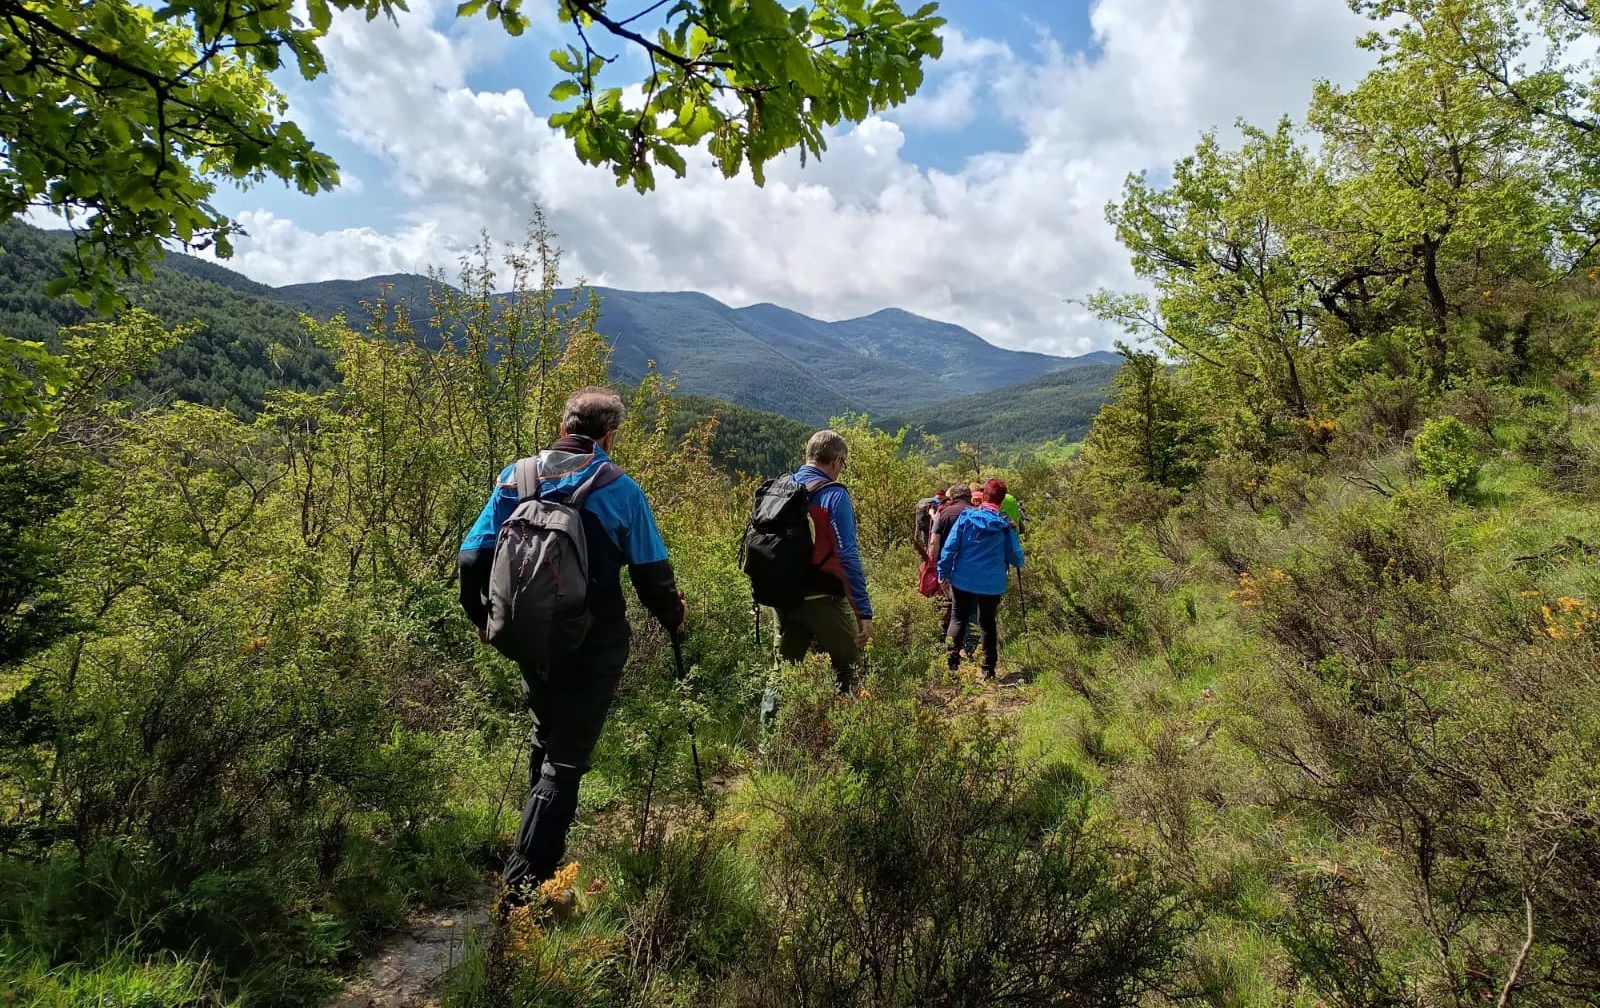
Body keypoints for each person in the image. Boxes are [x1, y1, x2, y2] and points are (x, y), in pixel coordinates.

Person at [458, 387, 686, 900]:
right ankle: (523, 891)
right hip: (594, 643)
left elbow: (472, 559)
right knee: (567, 759)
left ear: (564, 427)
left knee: (546, 733)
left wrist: (482, 618)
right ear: (609, 436)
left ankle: (537, 843)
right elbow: (652, 576)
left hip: (527, 636)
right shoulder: (620, 488)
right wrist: (674, 619)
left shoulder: (517, 477)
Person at [769, 429, 873, 695]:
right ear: (837, 461)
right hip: (822, 598)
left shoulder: (780, 487)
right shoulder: (834, 495)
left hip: (782, 597)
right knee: (850, 669)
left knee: (783, 674)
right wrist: (863, 613)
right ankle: (850, 731)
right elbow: (847, 557)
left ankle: (770, 734)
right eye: (843, 465)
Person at [938, 478, 1024, 681]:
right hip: (992, 584)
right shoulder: (1005, 526)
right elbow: (1016, 559)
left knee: (958, 618)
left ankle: (951, 665)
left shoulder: (966, 518)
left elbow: (949, 548)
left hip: (963, 579)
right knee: (987, 623)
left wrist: (944, 573)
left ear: (982, 496)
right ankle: (988, 669)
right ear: (1001, 502)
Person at [929, 483, 975, 655]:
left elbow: (934, 542)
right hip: (973, 568)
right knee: (972, 610)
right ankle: (971, 649)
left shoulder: (944, 513)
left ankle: (950, 652)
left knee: (952, 611)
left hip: (949, 569)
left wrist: (933, 565)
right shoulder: (977, 513)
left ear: (953, 497)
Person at [913, 488, 946, 561]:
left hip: (923, 527)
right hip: (932, 528)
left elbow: (916, 515)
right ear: (943, 496)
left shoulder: (923, 502)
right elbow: (936, 518)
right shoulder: (937, 503)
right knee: (933, 545)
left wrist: (917, 531)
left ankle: (926, 561)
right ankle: (931, 562)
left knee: (926, 544)